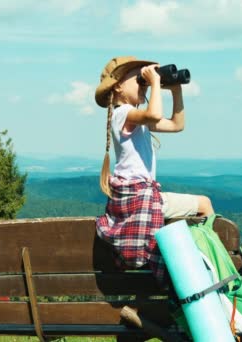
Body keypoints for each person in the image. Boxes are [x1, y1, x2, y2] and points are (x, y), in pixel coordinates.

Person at [94, 56, 214, 285]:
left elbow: (177, 125)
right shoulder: (122, 114)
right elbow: (154, 114)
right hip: (140, 197)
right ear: (118, 86)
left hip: (142, 198)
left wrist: (176, 90)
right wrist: (157, 83)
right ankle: (210, 262)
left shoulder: (136, 119)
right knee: (205, 204)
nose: (146, 83)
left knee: (202, 204)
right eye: (139, 79)